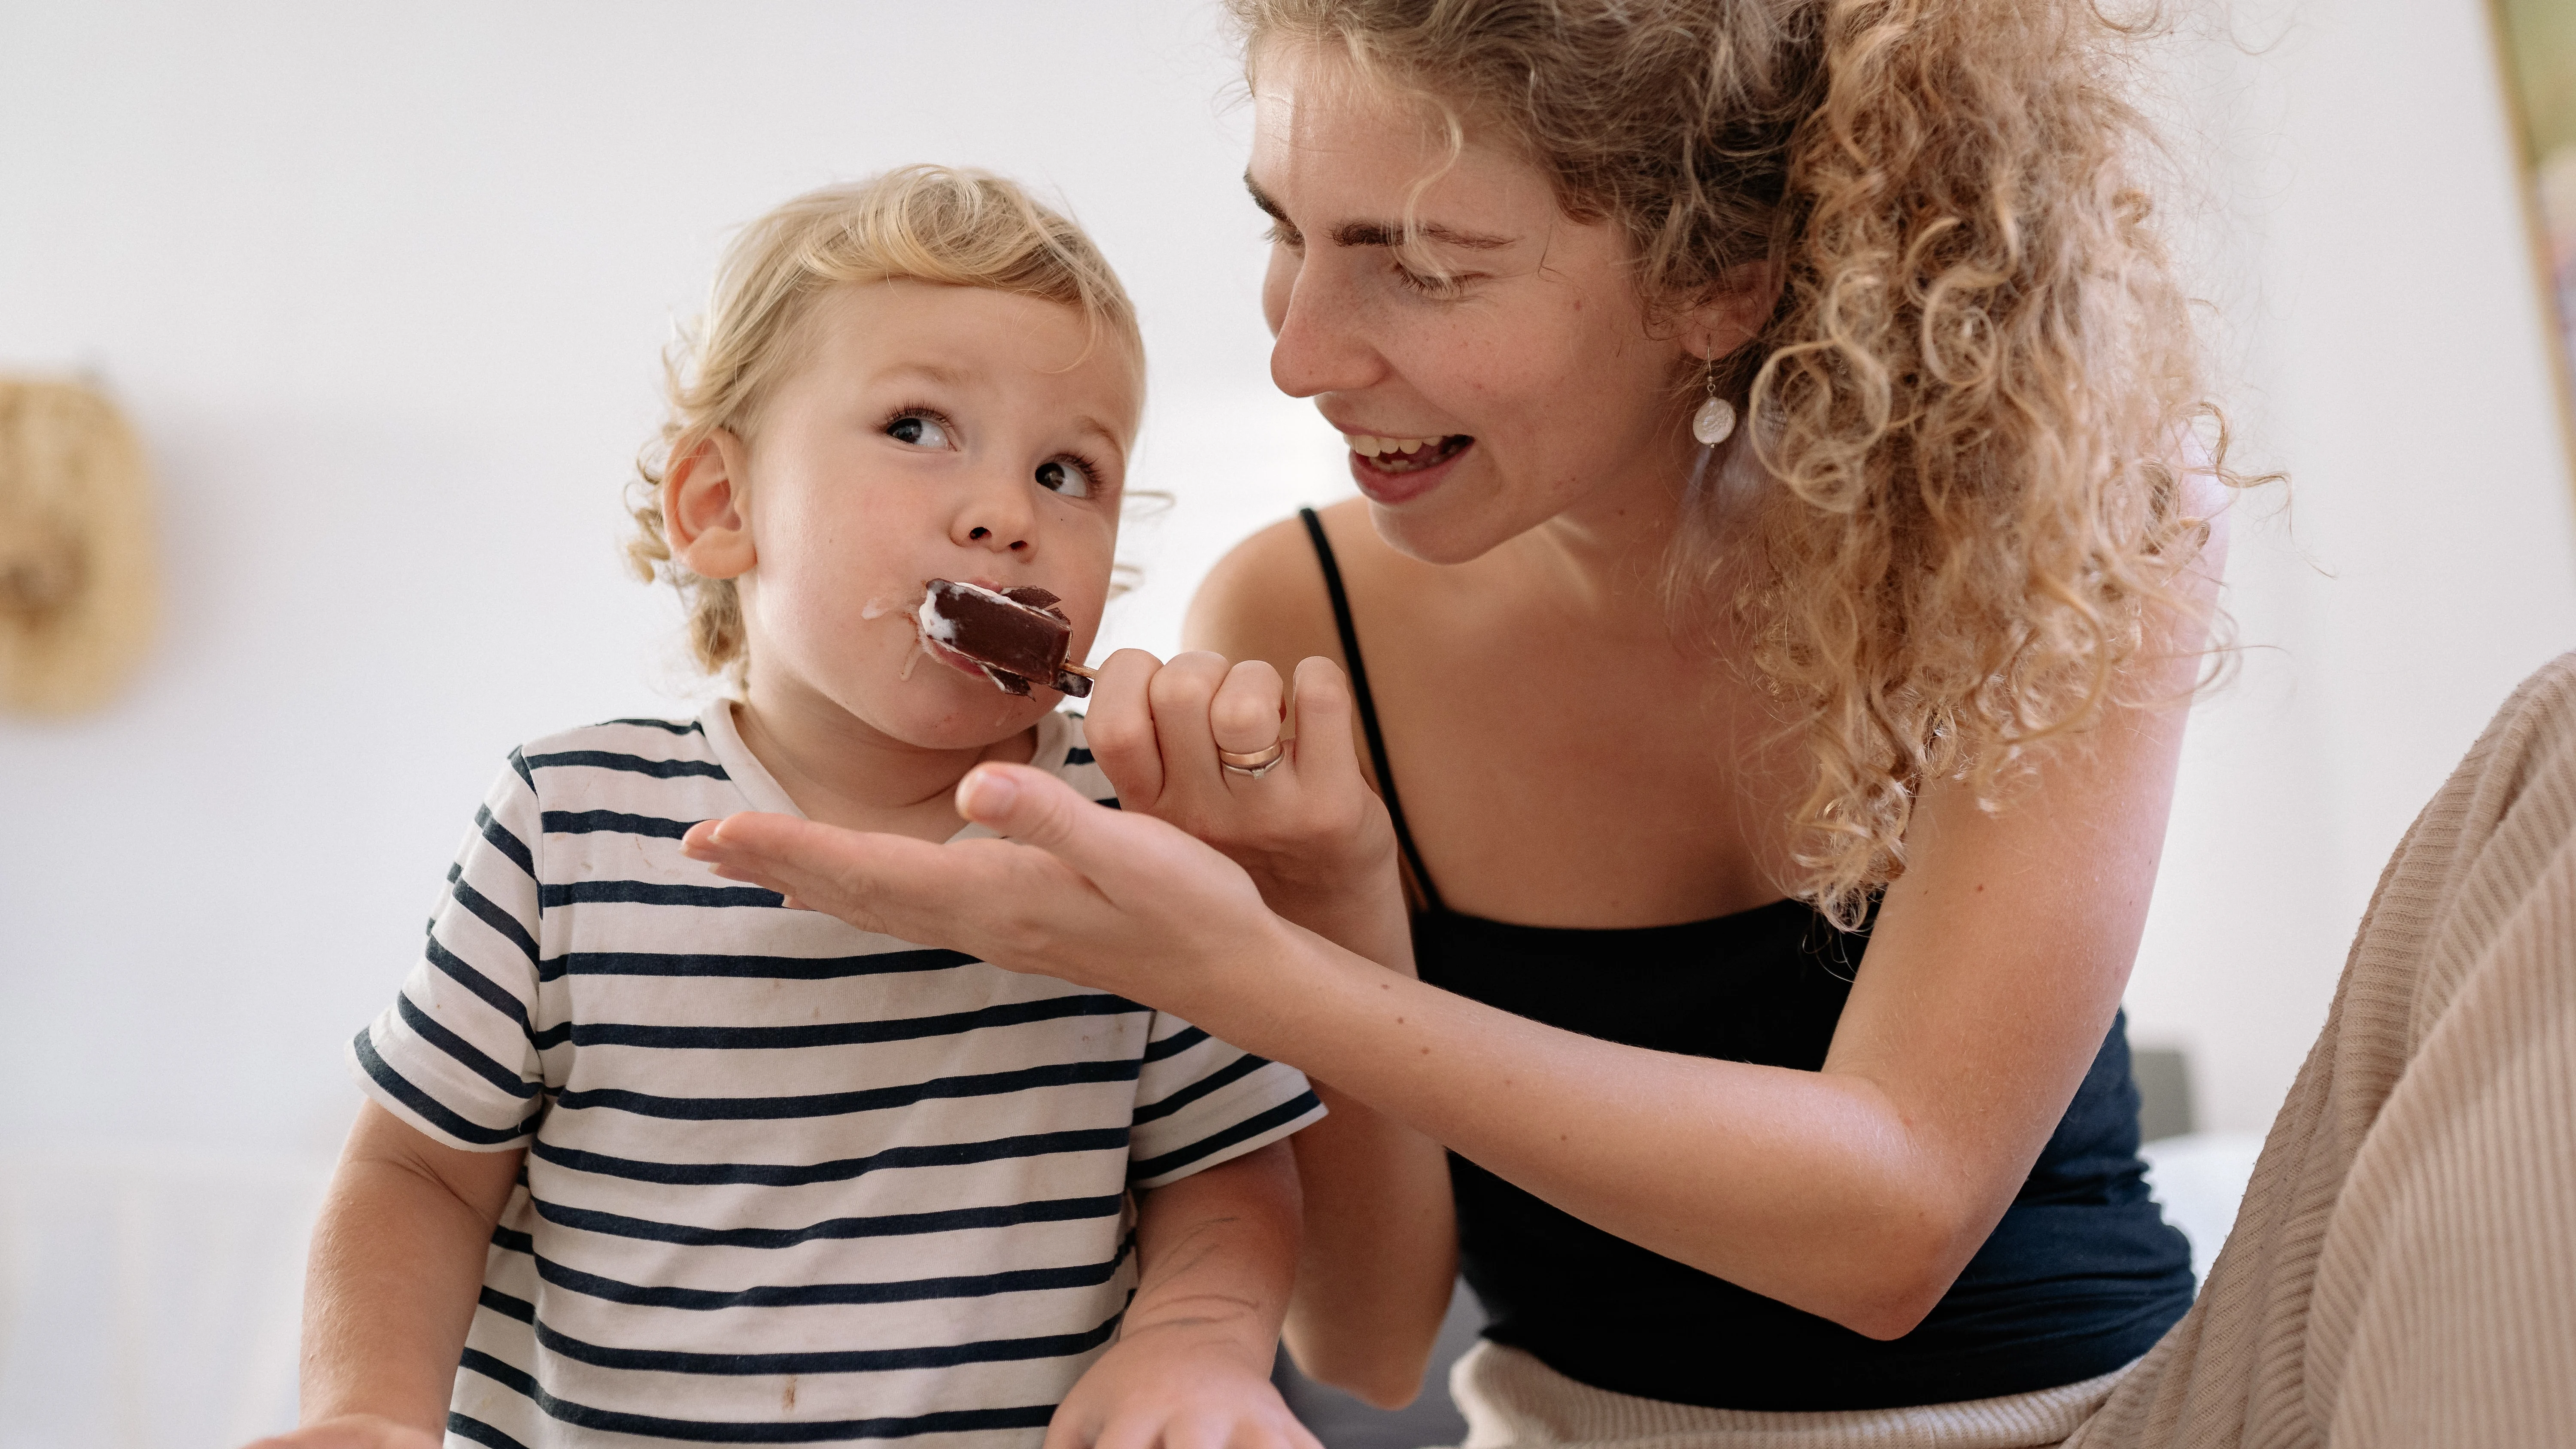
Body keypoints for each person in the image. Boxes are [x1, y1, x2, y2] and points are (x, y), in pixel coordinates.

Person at [686, 0, 2241, 1439]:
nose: (1299, 354)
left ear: (1717, 278)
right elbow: (1365, 1339)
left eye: (1418, 264)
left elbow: (1894, 1223)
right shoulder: (1298, 622)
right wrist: (1337, 892)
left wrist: (1246, 966)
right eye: (1284, 231)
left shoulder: (2053, 531)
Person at [250, 168, 1328, 1449]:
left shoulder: (1128, 838)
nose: (1005, 514)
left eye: (1066, 469)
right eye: (920, 427)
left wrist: (1194, 1342)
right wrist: (366, 1412)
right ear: (722, 506)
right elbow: (418, 1171)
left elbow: (1225, 1165)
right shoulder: (571, 823)